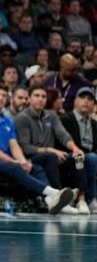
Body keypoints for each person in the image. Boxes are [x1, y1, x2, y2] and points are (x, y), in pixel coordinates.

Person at [0, 84, 74, 215]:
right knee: (15, 168)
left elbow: (14, 145)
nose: (1, 98)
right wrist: (12, 161)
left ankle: (50, 201)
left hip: (5, 162)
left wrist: (23, 161)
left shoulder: (7, 120)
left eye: (3, 95)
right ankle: (55, 193)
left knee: (35, 168)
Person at [15, 84, 89, 214]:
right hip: (32, 157)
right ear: (30, 98)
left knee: (77, 157)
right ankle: (60, 198)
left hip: (50, 156)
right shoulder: (22, 118)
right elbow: (25, 147)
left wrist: (75, 148)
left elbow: (63, 135)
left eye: (43, 96)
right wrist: (50, 149)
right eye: (36, 96)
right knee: (50, 157)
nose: (40, 99)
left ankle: (81, 199)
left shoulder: (51, 115)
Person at [59, 87, 97, 213]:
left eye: (89, 99)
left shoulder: (95, 124)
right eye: (82, 98)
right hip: (70, 156)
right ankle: (86, 199)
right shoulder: (65, 119)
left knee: (92, 157)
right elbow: (63, 143)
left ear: (93, 104)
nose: (86, 101)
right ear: (75, 102)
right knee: (90, 158)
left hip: (90, 155)